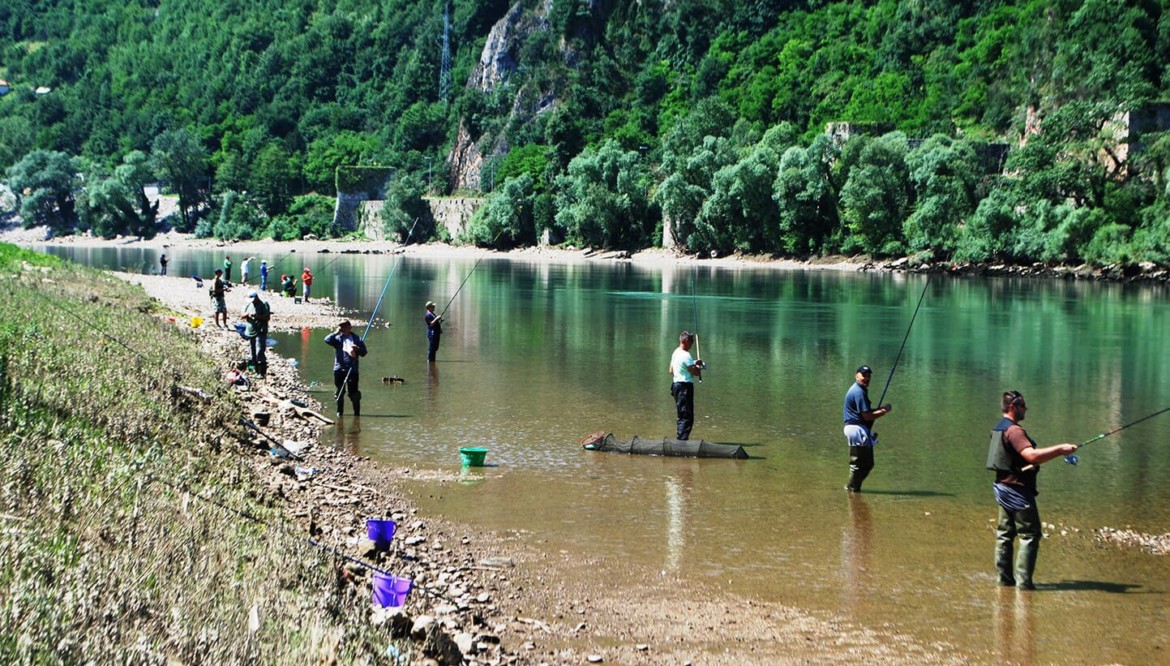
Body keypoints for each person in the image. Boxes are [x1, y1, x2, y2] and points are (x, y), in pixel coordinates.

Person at [987, 391, 1078, 590]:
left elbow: (1011, 460)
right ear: (1013, 407)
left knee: (1005, 533)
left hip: (1001, 487)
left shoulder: (998, 428)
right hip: (1018, 491)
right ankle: (1024, 585)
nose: (1026, 409)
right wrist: (1061, 449)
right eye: (1023, 406)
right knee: (1030, 534)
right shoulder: (1014, 431)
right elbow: (1032, 456)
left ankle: (1004, 581)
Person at [842, 365, 892, 493]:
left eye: (868, 376)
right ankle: (852, 489)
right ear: (856, 376)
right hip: (856, 430)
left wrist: (879, 409)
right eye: (864, 375)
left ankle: (853, 489)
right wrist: (884, 411)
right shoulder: (858, 392)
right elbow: (867, 416)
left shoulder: (860, 390)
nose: (866, 378)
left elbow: (866, 412)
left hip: (858, 429)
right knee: (859, 464)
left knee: (867, 464)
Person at [325, 321, 367, 417]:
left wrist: (358, 349)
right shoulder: (337, 339)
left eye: (344, 327)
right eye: (341, 327)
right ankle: (340, 412)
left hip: (352, 370)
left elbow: (364, 353)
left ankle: (357, 414)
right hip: (339, 369)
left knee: (354, 394)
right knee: (339, 392)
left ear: (350, 327)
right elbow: (327, 340)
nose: (343, 329)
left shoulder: (357, 339)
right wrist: (336, 332)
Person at [668, 331, 703, 440]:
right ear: (685, 341)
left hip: (676, 386)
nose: (692, 345)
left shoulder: (676, 352)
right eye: (691, 342)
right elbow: (696, 373)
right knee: (687, 417)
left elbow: (671, 370)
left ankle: (680, 439)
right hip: (684, 388)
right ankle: (682, 442)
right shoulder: (686, 355)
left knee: (682, 415)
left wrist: (693, 363)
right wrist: (699, 368)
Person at [242, 290, 271, 366]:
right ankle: (253, 366)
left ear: (256, 297)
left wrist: (257, 316)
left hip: (261, 330)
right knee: (252, 350)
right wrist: (247, 314)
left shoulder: (264, 304)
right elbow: (242, 315)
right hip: (250, 330)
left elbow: (267, 317)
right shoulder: (248, 304)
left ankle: (261, 368)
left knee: (260, 349)